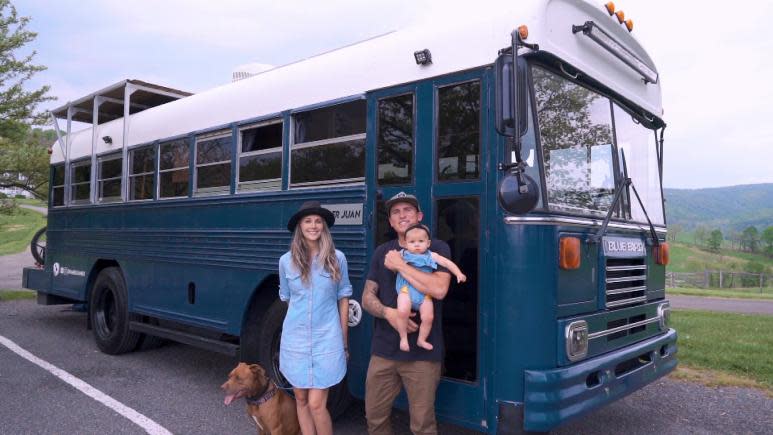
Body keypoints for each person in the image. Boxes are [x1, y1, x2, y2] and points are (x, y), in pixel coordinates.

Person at [362, 192, 452, 435]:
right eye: (396, 212)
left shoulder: (437, 248)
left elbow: (440, 289)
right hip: (383, 351)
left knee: (422, 425)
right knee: (375, 418)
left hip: (422, 355)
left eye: (408, 210)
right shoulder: (382, 252)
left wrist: (401, 265)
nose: (402, 215)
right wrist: (389, 313)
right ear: (390, 222)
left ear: (419, 217)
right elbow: (367, 297)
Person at [278, 201, 352, 435]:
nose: (313, 225)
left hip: (326, 339)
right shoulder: (285, 261)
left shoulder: (337, 258)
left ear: (324, 226)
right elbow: (288, 299)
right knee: (300, 399)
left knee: (317, 403)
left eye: (318, 221)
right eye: (308, 221)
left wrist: (344, 341)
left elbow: (343, 299)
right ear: (300, 226)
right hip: (295, 340)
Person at [395, 223, 466, 352]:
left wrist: (458, 273)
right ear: (405, 244)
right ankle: (403, 338)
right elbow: (390, 260)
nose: (416, 244)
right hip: (406, 289)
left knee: (428, 317)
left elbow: (446, 263)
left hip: (424, 293)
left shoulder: (431, 255)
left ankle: (421, 339)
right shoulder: (402, 254)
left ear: (428, 243)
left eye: (421, 241)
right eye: (412, 242)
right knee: (402, 311)